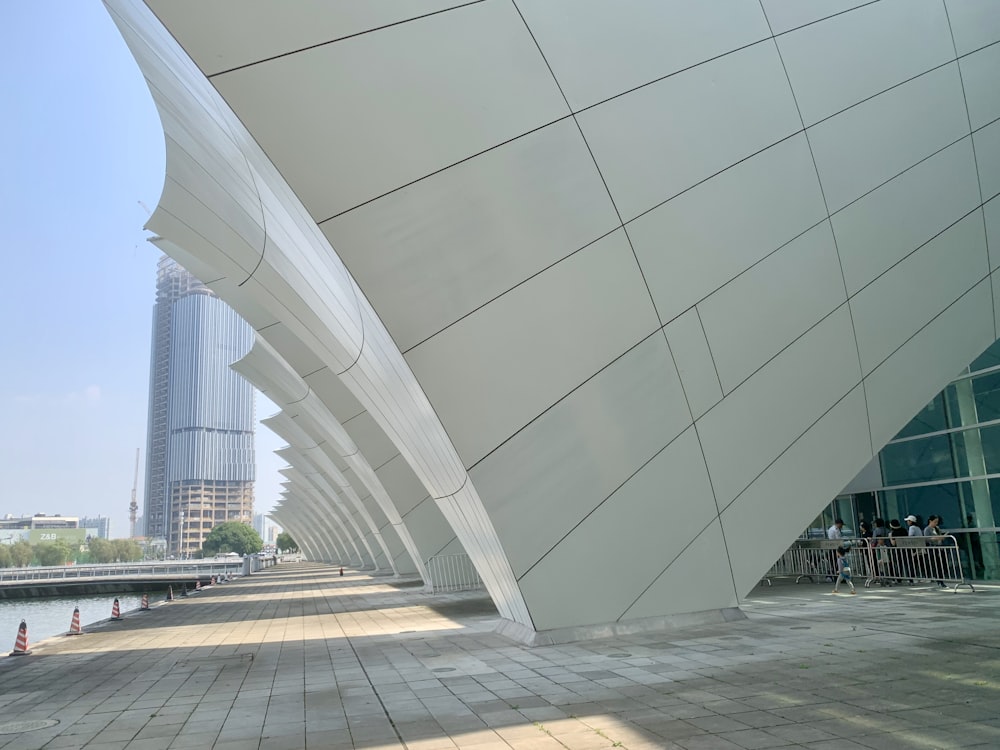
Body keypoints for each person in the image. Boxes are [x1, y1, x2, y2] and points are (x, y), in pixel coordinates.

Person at [923, 515, 946, 587]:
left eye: (937, 522)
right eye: (935, 522)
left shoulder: (937, 528)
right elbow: (927, 539)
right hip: (933, 549)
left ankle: (941, 579)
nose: (936, 523)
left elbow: (940, 536)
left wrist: (942, 537)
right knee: (936, 565)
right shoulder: (927, 529)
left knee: (941, 564)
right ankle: (939, 580)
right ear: (930, 521)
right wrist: (936, 538)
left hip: (939, 548)